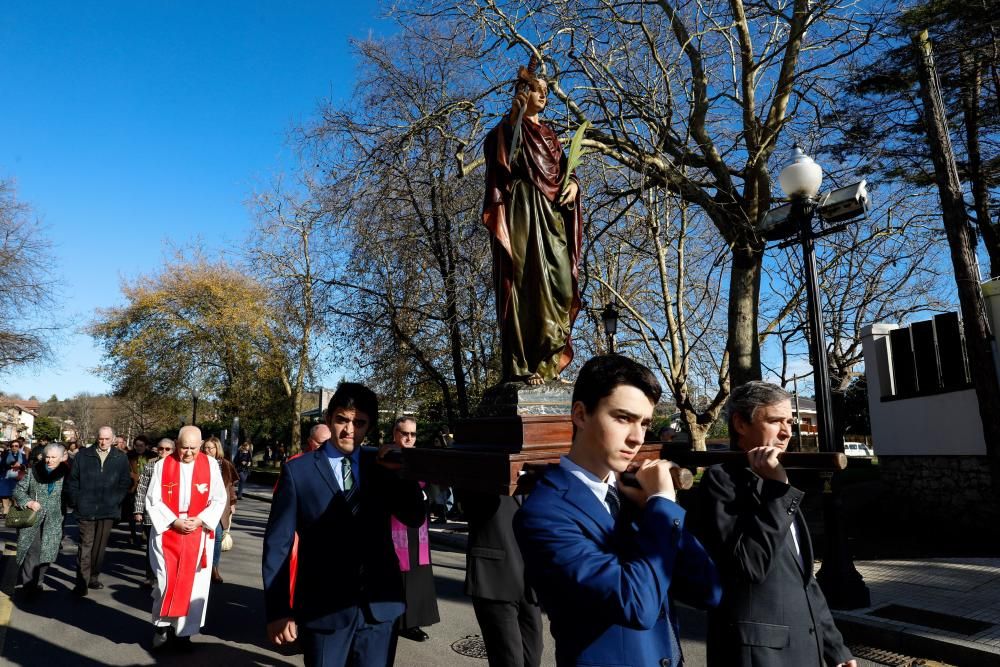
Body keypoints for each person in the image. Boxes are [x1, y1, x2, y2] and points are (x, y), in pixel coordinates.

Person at [515, 354, 721, 666]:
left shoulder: (638, 498)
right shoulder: (544, 513)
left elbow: (708, 590)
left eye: (645, 422)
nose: (637, 437)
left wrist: (657, 507)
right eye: (623, 418)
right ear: (581, 415)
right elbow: (636, 605)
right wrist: (663, 505)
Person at [262, 382, 425, 667]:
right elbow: (278, 544)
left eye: (359, 423)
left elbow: (414, 517)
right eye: (342, 420)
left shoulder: (383, 465)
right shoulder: (297, 472)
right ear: (329, 419)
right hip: (324, 610)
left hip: (380, 607)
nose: (349, 430)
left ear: (369, 426)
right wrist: (278, 610)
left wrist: (404, 473)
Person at [696, 381, 857, 667]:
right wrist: (777, 489)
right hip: (758, 656)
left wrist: (835, 647)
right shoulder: (721, 482)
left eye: (789, 422)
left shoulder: (777, 483)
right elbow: (750, 565)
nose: (786, 432)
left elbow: (803, 579)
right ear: (740, 424)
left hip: (805, 651)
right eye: (774, 421)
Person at [482, 56, 582, 385]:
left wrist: (574, 184)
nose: (545, 96)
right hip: (523, 211)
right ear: (524, 94)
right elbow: (500, 160)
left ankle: (550, 359)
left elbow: (565, 171)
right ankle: (525, 364)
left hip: (552, 217)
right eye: (538, 90)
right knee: (524, 285)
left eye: (546, 91)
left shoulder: (550, 135)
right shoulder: (510, 128)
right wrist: (513, 116)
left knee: (561, 286)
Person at [146, 425, 227, 650]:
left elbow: (219, 499)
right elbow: (153, 499)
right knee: (166, 581)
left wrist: (201, 520)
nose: (188, 453)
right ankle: (162, 626)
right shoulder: (163, 465)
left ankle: (184, 634)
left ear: (200, 446)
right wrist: (174, 521)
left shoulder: (210, 465)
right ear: (176, 444)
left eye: (193, 448)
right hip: (169, 530)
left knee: (194, 587)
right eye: (183, 448)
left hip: (198, 532)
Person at [462, 491, 543, 667]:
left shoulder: (537, 473)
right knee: (509, 660)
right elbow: (470, 509)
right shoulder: (479, 473)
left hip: (530, 582)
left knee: (533, 658)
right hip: (495, 577)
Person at [386, 417, 440, 652]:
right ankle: (394, 620)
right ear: (394, 434)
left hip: (418, 528)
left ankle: (412, 622)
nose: (409, 438)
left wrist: (427, 494)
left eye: (413, 434)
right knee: (398, 574)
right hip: (394, 526)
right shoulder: (385, 458)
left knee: (417, 575)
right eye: (404, 433)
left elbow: (432, 487)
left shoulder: (420, 459)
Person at [66, 425, 131, 596]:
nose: (103, 442)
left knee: (99, 547)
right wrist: (76, 501)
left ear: (113, 439)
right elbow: (73, 481)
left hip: (108, 510)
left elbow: (125, 482)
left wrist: (116, 500)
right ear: (97, 438)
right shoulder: (83, 455)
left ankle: (93, 577)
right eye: (101, 438)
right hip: (85, 508)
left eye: (107, 439)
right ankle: (82, 582)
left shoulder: (120, 458)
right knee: (85, 545)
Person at [13, 443, 70, 596]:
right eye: (47, 457)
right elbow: (18, 490)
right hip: (33, 518)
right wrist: (29, 502)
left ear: (61, 458)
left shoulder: (67, 474)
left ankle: (38, 581)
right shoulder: (33, 472)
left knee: (47, 552)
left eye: (53, 457)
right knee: (33, 551)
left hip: (54, 519)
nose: (49, 460)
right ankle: (28, 585)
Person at [135, 438, 175, 589]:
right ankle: (150, 576)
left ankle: (167, 576)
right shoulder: (151, 465)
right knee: (151, 547)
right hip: (151, 514)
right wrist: (138, 510)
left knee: (168, 547)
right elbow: (142, 488)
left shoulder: (178, 466)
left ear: (173, 450)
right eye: (161, 449)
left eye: (167, 449)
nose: (163, 452)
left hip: (171, 515)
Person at [201, 436, 237, 583]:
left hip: (221, 505)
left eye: (211, 448)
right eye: (206, 448)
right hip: (203, 503)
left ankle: (214, 568)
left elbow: (230, 486)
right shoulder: (199, 463)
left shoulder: (225, 464)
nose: (208, 450)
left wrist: (233, 502)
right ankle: (201, 566)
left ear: (217, 449)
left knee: (217, 536)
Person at [126, 435, 156, 546]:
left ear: (146, 446)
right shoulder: (129, 456)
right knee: (132, 511)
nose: (138, 448)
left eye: (141, 446)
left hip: (147, 487)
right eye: (136, 445)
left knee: (146, 510)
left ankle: (144, 531)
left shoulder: (152, 456)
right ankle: (133, 533)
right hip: (132, 486)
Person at [1, 438, 27, 517]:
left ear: (19, 447)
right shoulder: (5, 454)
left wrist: (21, 465)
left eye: (16, 446)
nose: (14, 447)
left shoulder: (22, 455)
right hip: (7, 477)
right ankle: (5, 511)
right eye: (12, 446)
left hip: (18, 477)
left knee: (15, 495)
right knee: (4, 494)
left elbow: (26, 465)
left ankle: (15, 511)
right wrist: (10, 465)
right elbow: (1, 465)